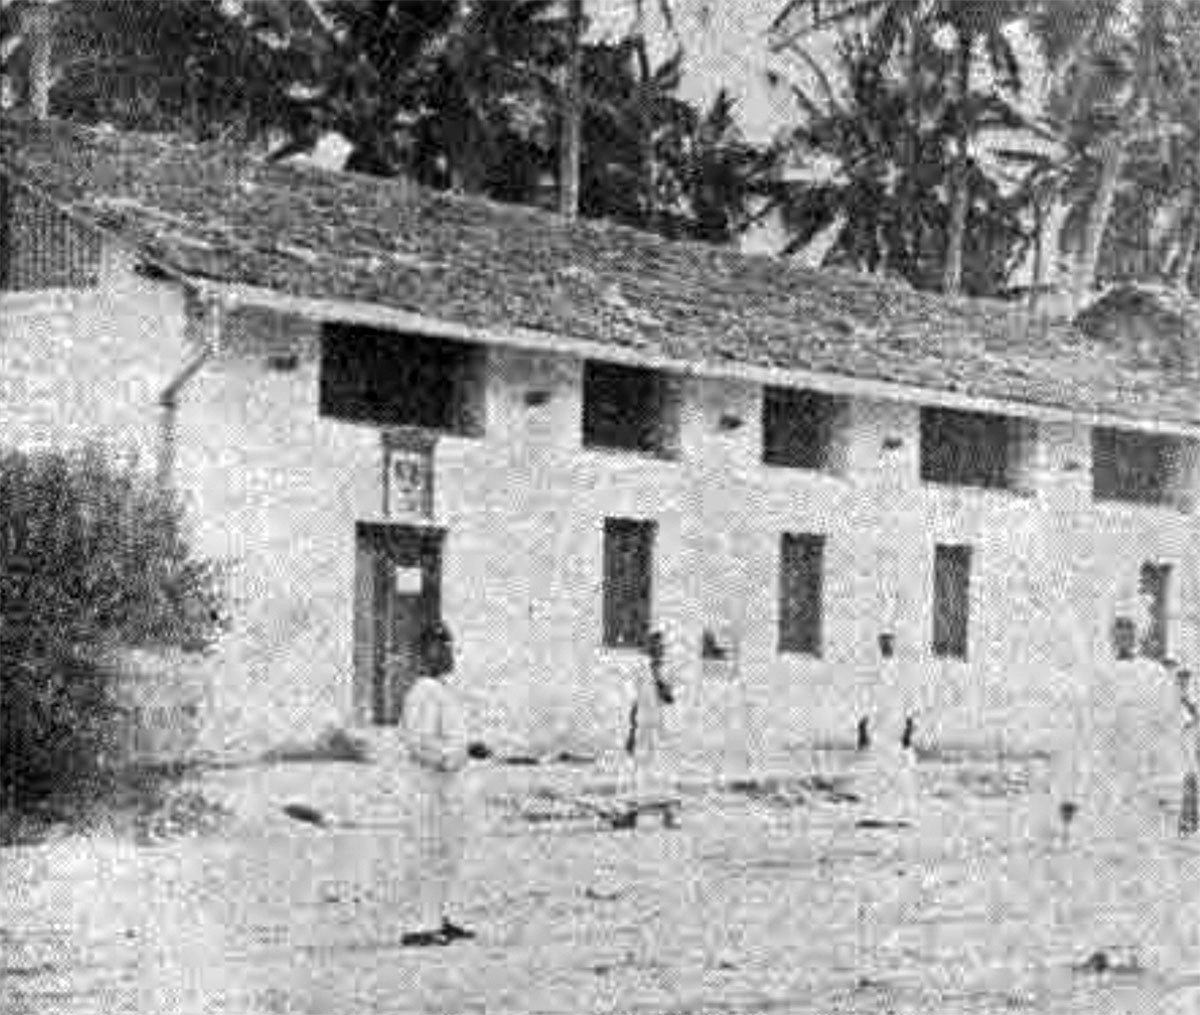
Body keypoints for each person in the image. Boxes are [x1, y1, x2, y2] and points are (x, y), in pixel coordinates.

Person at [401, 621, 491, 947]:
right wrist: (460, 753)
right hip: (428, 787)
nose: (449, 654)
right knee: (429, 853)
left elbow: (447, 737)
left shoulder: (440, 690)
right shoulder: (423, 692)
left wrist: (467, 748)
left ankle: (440, 918)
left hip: (447, 786)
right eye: (441, 648)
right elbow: (420, 744)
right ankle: (422, 925)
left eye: (450, 647)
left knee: (446, 853)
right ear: (425, 653)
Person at [626, 629, 675, 803]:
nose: (659, 650)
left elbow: (669, 699)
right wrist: (631, 730)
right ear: (649, 648)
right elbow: (635, 699)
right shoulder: (641, 669)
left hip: (659, 723)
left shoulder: (665, 671)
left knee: (660, 763)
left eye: (661, 647)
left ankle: (663, 802)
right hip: (642, 722)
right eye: (655, 646)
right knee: (639, 763)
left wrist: (661, 682)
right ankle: (635, 800)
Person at [1176, 664, 1199, 837]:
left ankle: (1189, 822)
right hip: (1187, 740)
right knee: (1189, 779)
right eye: (1182, 681)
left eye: (1185, 681)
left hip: (1190, 740)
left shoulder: (1190, 702)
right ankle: (1187, 822)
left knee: (1190, 779)